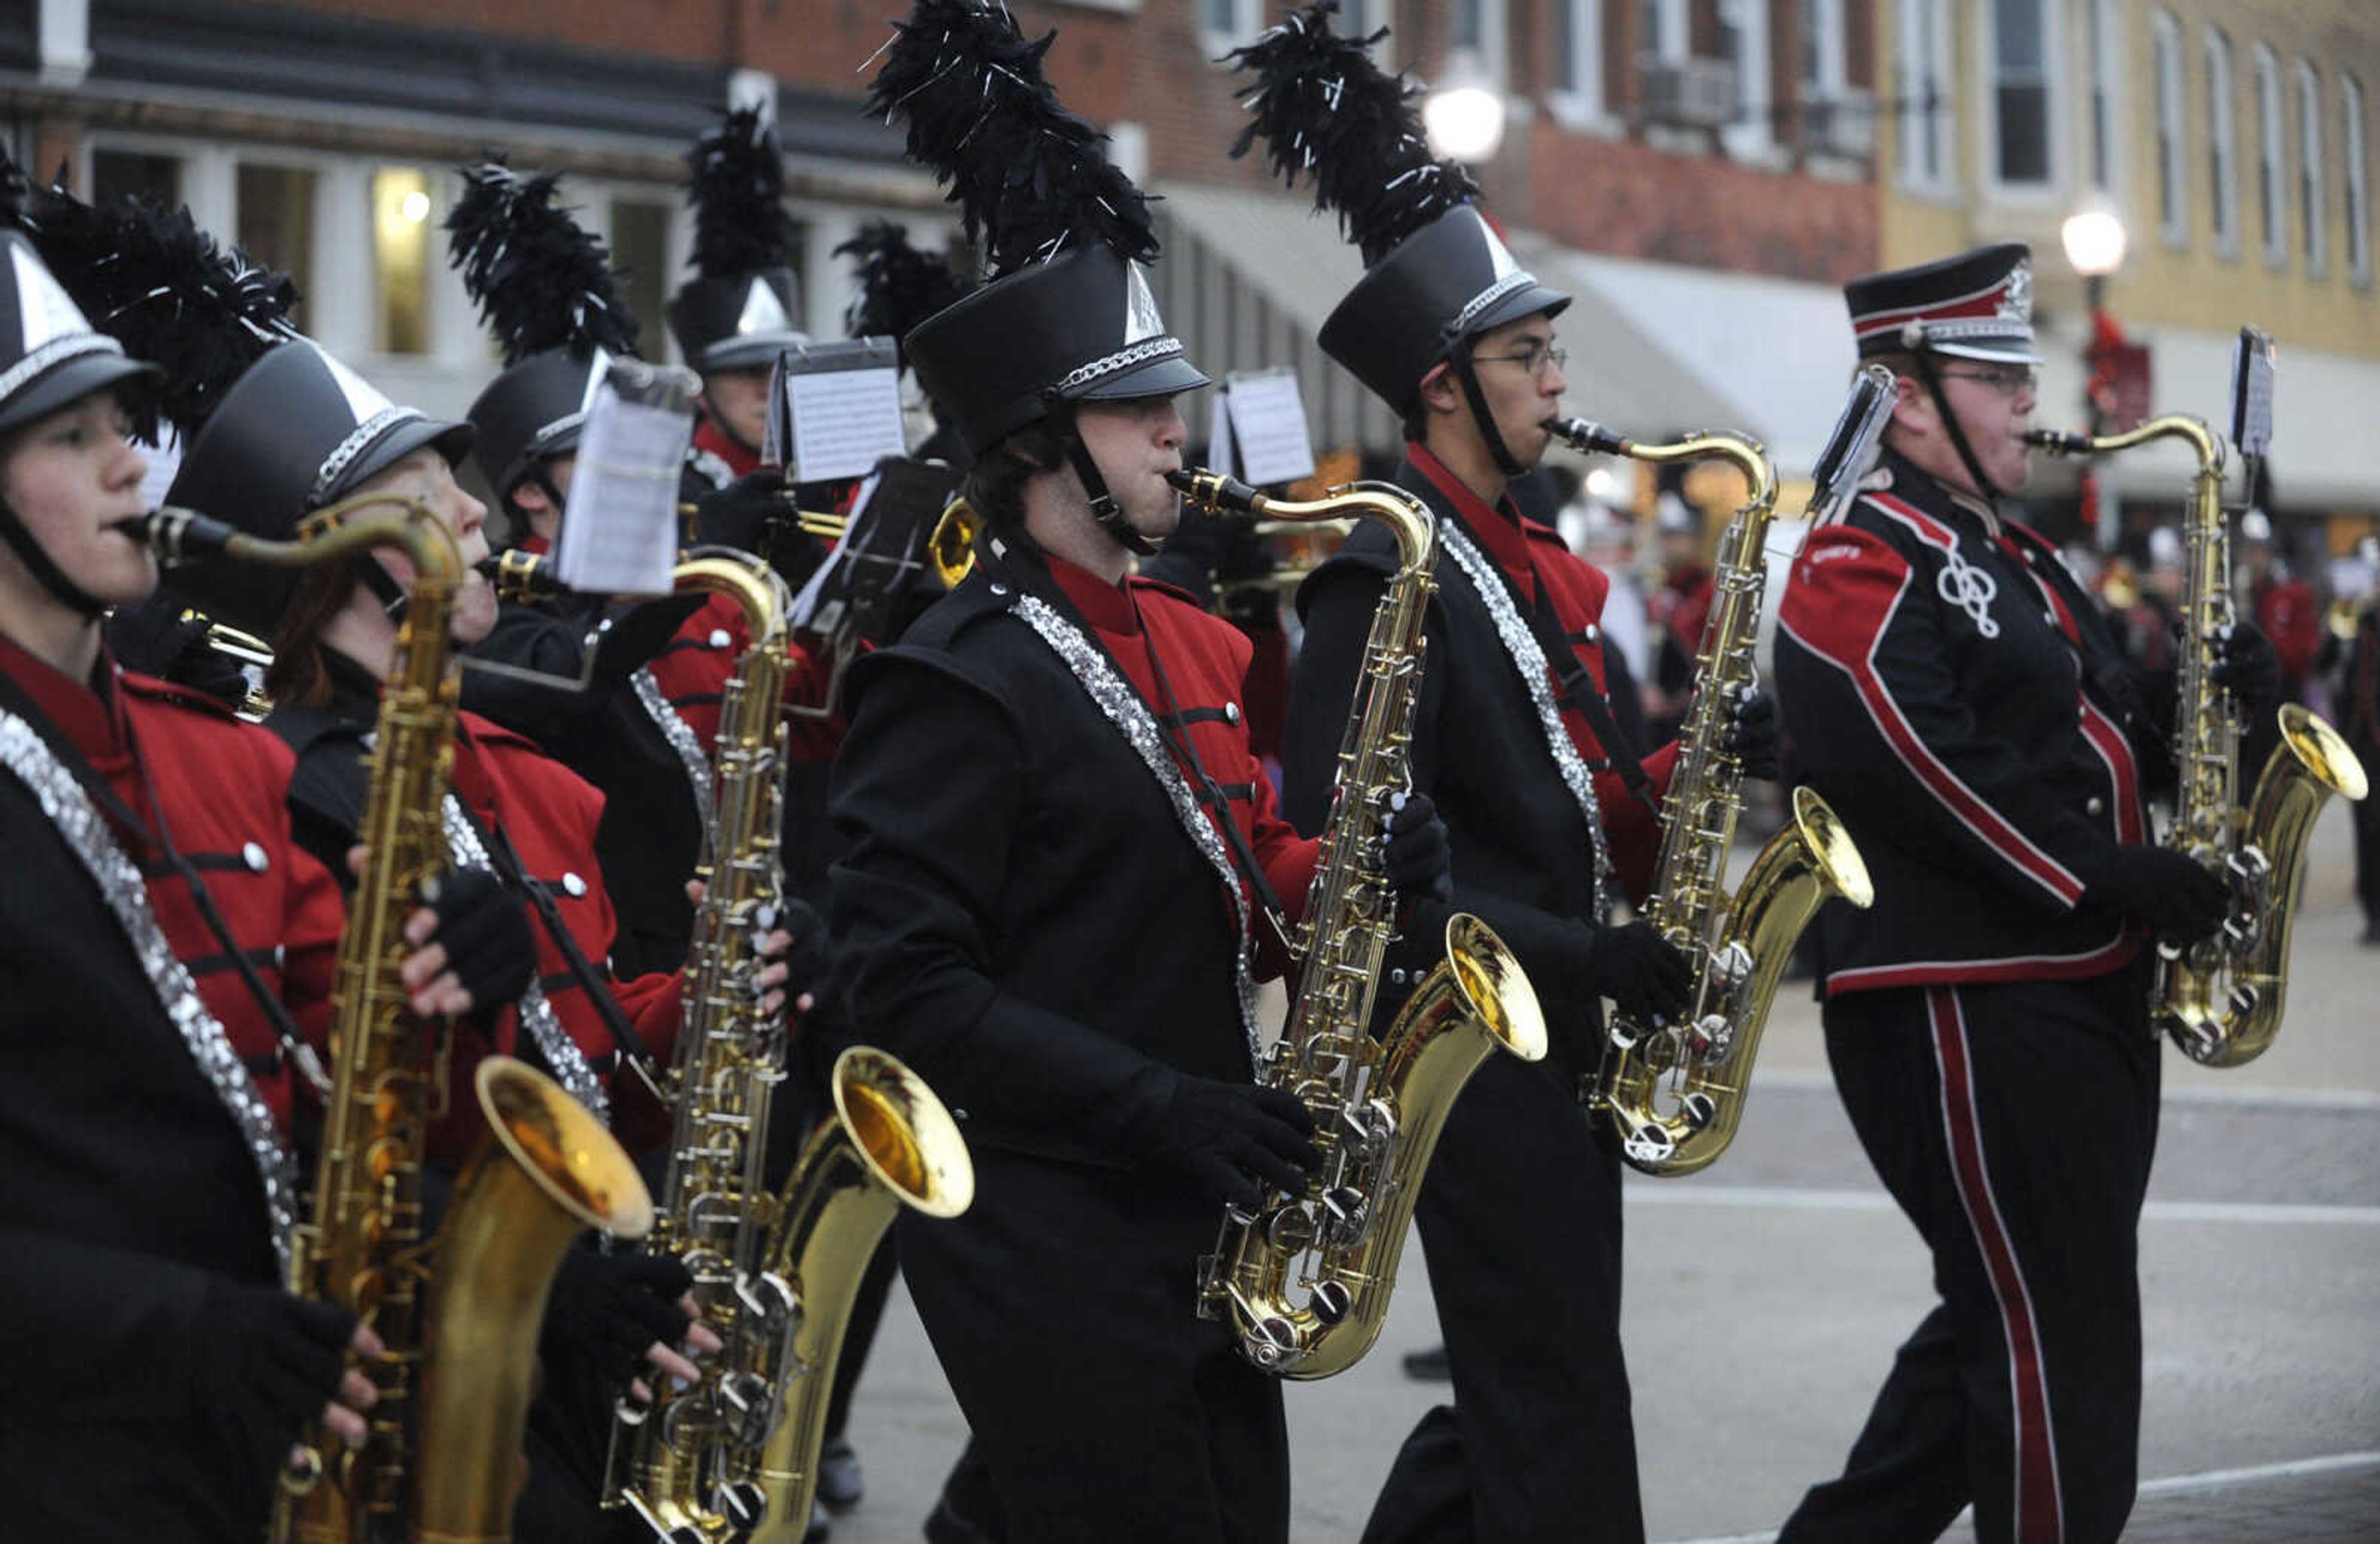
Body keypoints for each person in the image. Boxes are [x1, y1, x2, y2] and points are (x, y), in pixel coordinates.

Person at [828, 7, 1448, 1539]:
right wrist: (1157, 1103)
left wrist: (1363, 883)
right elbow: (902, 990)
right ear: (1048, 443)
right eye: (1142, 411)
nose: (1183, 434)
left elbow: (1221, 872)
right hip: (1052, 1215)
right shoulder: (952, 673)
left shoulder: (1173, 631)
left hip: (1198, 1190)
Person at [1227, 9, 1774, 1540]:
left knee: (1533, 1388)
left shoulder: (1510, 559)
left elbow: (1557, 782)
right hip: (1477, 1043)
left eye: (1551, 353)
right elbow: (1357, 849)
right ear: (1446, 386)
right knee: (1552, 1395)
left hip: (1556, 1035)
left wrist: (1703, 753)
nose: (1557, 383)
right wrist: (1582, 949)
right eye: (1529, 357)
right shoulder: (1379, 564)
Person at [0, 195, 509, 1541]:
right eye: (67, 436)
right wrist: (179, 1330)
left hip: (255, 1432)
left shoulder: (229, 764)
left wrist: (458, 981)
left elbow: (350, 1072)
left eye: (122, 426)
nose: (128, 467)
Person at [1770, 242, 2278, 1543]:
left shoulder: (2022, 560)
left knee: (2009, 1320)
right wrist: (2111, 877)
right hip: (1967, 995)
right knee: (2063, 1341)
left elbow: (2108, 738)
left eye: (2018, 374)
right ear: (1908, 392)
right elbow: (1914, 758)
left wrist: (2234, 701)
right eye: (1995, 377)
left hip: (2067, 985)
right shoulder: (1855, 553)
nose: (2026, 403)